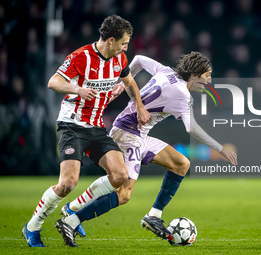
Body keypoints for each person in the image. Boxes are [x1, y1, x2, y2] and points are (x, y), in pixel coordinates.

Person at [55, 52, 238, 247]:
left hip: (137, 132)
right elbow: (191, 128)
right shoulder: (183, 96)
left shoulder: (166, 71)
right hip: (128, 133)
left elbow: (139, 59)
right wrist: (219, 148)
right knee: (124, 194)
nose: (209, 80)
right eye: (206, 75)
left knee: (181, 163)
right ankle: (71, 221)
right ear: (194, 75)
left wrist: (121, 84)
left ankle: (154, 216)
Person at [22, 15, 151, 248]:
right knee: (67, 183)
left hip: (96, 127)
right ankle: (32, 226)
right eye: (123, 42)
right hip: (71, 126)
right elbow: (53, 82)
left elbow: (130, 83)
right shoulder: (80, 57)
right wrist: (77, 89)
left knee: (120, 176)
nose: (126, 47)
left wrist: (140, 108)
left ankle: (72, 209)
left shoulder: (119, 58)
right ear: (110, 40)